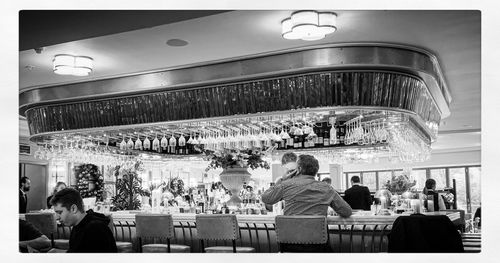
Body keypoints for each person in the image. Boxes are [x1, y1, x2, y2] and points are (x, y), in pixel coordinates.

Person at [262, 154, 352, 217]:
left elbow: (266, 199)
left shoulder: (286, 185)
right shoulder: (327, 188)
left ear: (299, 169)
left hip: (289, 240)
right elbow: (346, 212)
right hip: (318, 240)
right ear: (316, 171)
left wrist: (282, 179)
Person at [49, 188, 117, 253]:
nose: (56, 218)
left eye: (60, 212)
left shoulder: (95, 228)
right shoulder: (78, 226)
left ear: (73, 209)